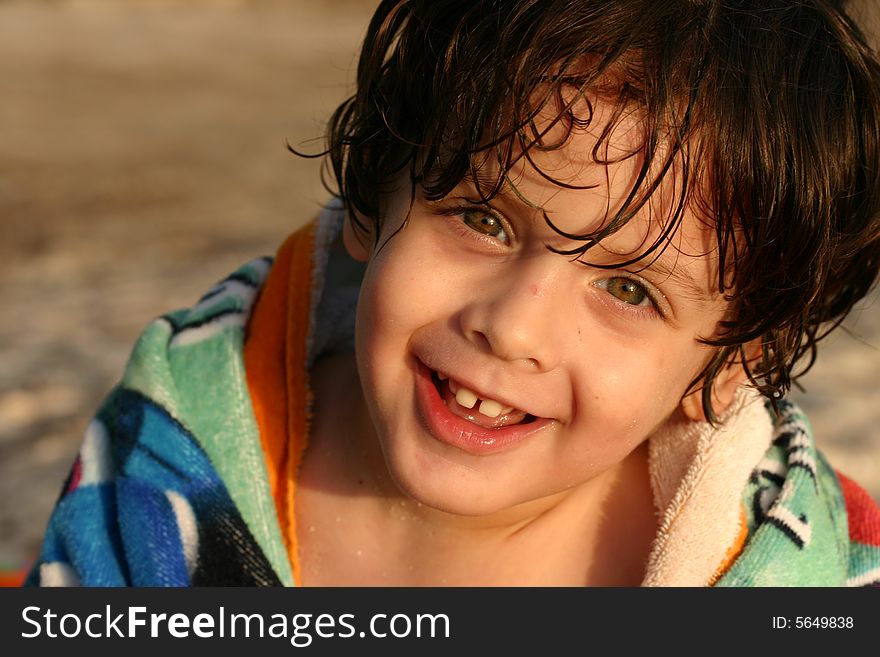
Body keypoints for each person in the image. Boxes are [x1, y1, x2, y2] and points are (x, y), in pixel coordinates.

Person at [27, 0, 880, 587]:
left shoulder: (785, 570)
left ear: (730, 360)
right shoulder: (177, 455)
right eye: (483, 219)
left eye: (628, 288)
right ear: (376, 193)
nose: (512, 327)